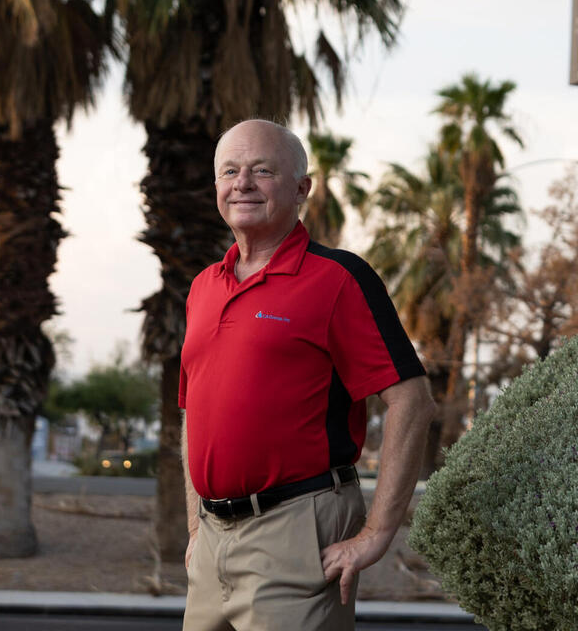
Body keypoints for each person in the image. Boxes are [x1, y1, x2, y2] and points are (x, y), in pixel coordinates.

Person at [179, 119, 436, 630]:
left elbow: (412, 399)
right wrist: (194, 526)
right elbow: (194, 412)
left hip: (296, 531)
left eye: (262, 171)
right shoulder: (204, 287)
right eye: (230, 171)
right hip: (210, 539)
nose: (243, 183)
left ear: (302, 188)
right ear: (216, 188)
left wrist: (378, 532)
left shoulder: (338, 279)